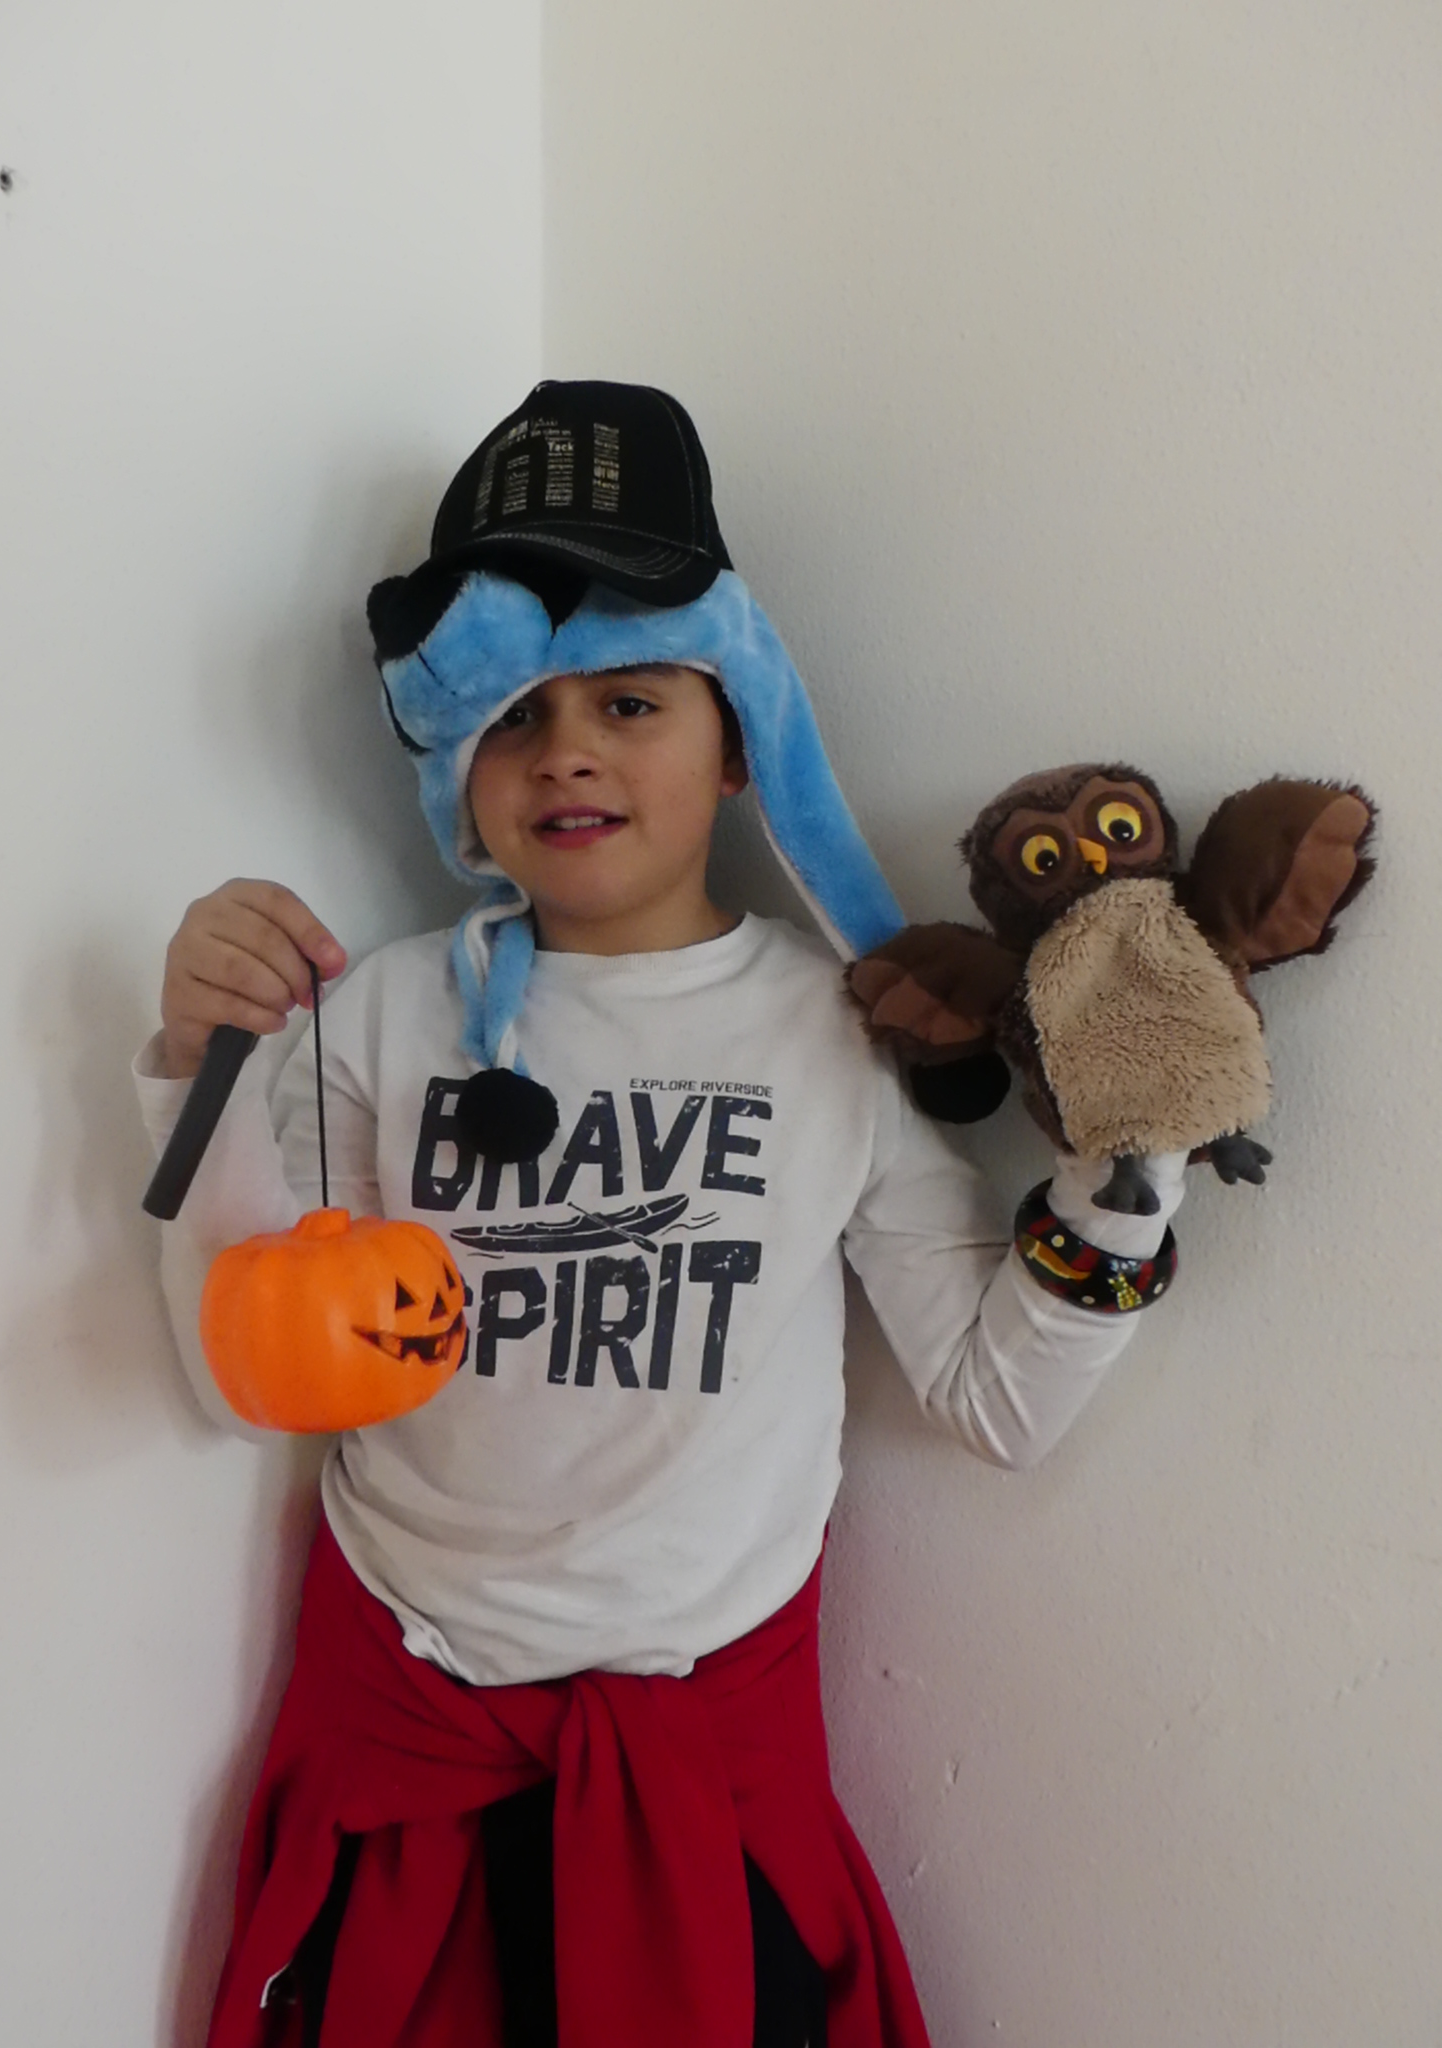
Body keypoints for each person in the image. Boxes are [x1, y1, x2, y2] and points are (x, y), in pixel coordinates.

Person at [138, 381, 1186, 2048]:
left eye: (630, 699)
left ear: (739, 735)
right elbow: (241, 1371)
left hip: (708, 1806)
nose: (567, 748)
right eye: (514, 710)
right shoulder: (383, 1014)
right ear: (455, 761)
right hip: (405, 1764)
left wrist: (1129, 1174)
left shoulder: (840, 1032)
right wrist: (201, 1060)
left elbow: (999, 1403)